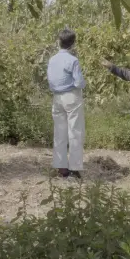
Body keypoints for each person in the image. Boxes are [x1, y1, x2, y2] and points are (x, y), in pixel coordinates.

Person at [46, 29, 86, 178]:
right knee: (75, 132)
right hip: (71, 96)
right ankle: (75, 169)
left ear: (59, 41)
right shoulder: (73, 60)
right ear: (73, 43)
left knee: (59, 133)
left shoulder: (52, 59)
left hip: (57, 97)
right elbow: (79, 83)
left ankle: (61, 168)